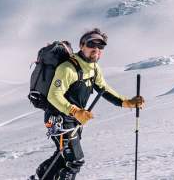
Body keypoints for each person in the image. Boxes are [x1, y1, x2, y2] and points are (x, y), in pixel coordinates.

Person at [33, 28, 145, 180]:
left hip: (74, 120)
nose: (96, 49)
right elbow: (54, 95)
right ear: (82, 45)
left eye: (101, 47)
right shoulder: (67, 68)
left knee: (62, 157)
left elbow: (104, 89)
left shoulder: (93, 68)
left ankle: (39, 177)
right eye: (92, 44)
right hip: (58, 119)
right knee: (75, 161)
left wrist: (126, 102)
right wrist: (75, 111)